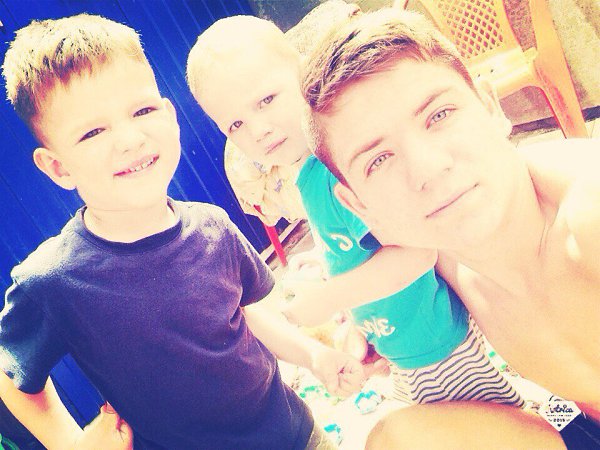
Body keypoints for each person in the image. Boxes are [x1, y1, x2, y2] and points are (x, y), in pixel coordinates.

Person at [0, 13, 369, 450]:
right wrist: (68, 443)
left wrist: (314, 355)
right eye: (93, 132)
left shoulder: (213, 225)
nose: (130, 139)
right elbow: (10, 374)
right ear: (58, 167)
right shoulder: (53, 280)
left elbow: (245, 313)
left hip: (297, 434)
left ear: (170, 116)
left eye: (141, 111)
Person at [186, 13, 525, 408]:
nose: (258, 130)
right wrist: (332, 267)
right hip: (403, 345)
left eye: (266, 100)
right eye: (235, 125)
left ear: (303, 76)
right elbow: (360, 243)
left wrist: (328, 298)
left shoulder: (336, 173)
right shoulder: (309, 174)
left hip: (433, 348)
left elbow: (415, 253)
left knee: (491, 421)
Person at [301, 7, 600, 448]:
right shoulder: (442, 254)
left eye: (439, 115)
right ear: (361, 207)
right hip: (580, 420)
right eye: (379, 160)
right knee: (396, 437)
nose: (428, 168)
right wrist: (370, 326)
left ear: (491, 107)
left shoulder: (588, 215)